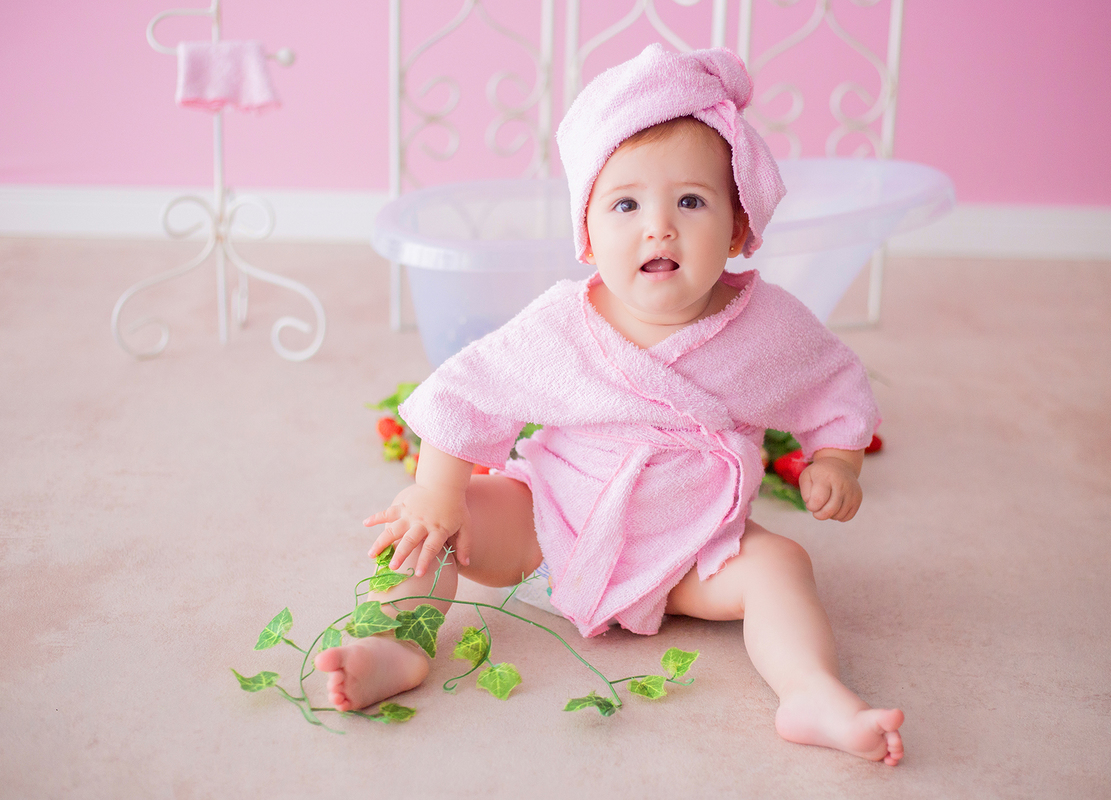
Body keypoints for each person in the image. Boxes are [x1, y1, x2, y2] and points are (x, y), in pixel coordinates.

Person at [316, 44, 903, 765]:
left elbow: (833, 383)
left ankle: (809, 689)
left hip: (692, 551)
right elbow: (467, 392)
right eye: (626, 204)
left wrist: (838, 458)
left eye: (691, 201)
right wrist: (438, 490)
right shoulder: (562, 326)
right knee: (433, 524)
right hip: (550, 528)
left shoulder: (769, 327)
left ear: (742, 227)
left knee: (781, 564)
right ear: (589, 236)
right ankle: (393, 643)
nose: (658, 227)